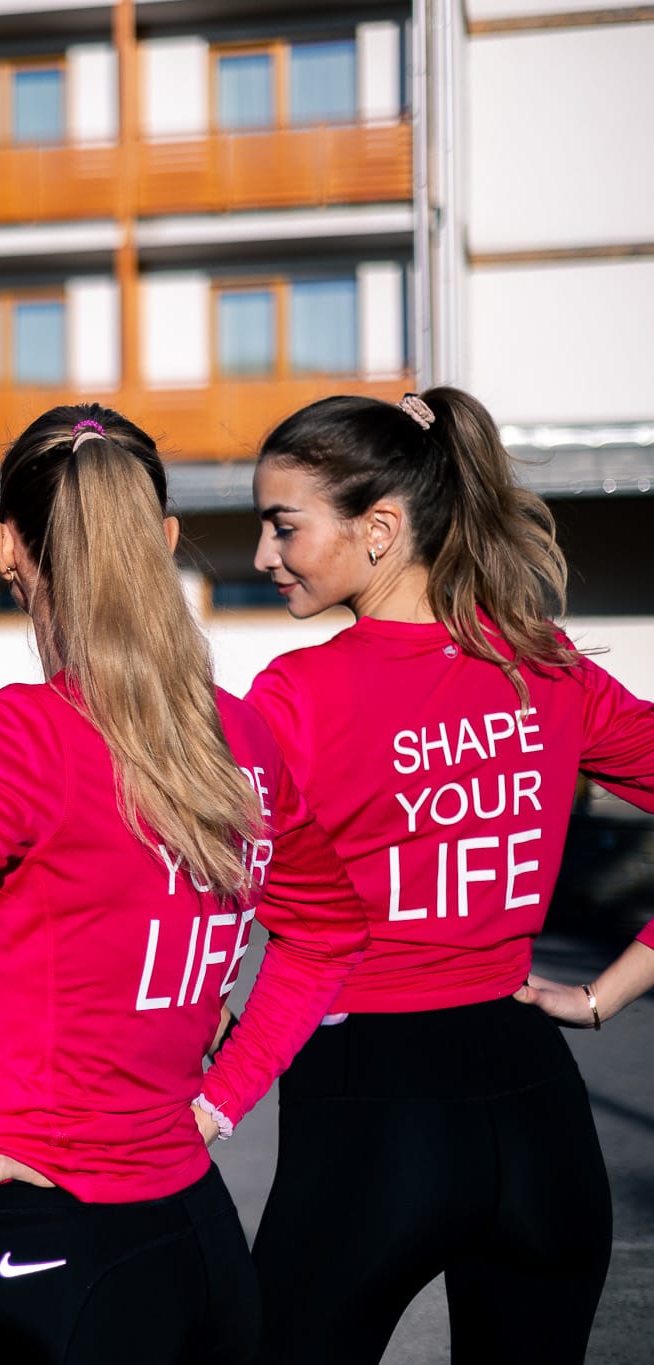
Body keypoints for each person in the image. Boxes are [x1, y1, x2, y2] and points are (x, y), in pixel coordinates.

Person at [0, 405, 369, 1365]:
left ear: (8, 545)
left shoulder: (27, 734)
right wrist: (218, 1102)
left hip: (52, 1246)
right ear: (162, 538)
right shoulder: (240, 734)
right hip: (201, 1246)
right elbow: (328, 935)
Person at [244, 387, 654, 1363]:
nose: (261, 557)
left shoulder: (295, 696)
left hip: (367, 1116)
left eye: (281, 526)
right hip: (538, 1118)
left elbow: (182, 880)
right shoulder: (542, 669)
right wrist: (607, 994)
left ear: (378, 529)